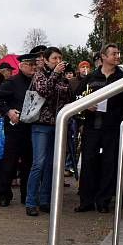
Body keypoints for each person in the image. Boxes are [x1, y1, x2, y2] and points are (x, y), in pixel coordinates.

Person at [75, 43, 123, 213]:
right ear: (103, 57)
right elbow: (77, 97)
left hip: (112, 127)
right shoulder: (90, 77)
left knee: (109, 163)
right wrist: (85, 107)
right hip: (92, 127)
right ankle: (86, 201)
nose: (117, 56)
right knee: (88, 163)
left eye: (118, 53)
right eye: (113, 53)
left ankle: (103, 201)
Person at [25, 47, 73, 216]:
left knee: (51, 165)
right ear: (45, 60)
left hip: (58, 125)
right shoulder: (39, 75)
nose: (58, 61)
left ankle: (45, 200)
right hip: (41, 125)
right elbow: (44, 90)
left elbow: (68, 98)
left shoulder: (63, 78)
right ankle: (30, 201)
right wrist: (54, 74)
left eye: (60, 58)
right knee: (38, 163)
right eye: (54, 58)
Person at [0, 52, 38, 207]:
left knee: (28, 164)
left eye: (34, 64)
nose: (33, 67)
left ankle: (26, 195)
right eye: (30, 65)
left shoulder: (37, 81)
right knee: (9, 163)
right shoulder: (12, 81)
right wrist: (8, 111)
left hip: (31, 128)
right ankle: (3, 195)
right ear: (21, 65)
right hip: (15, 129)